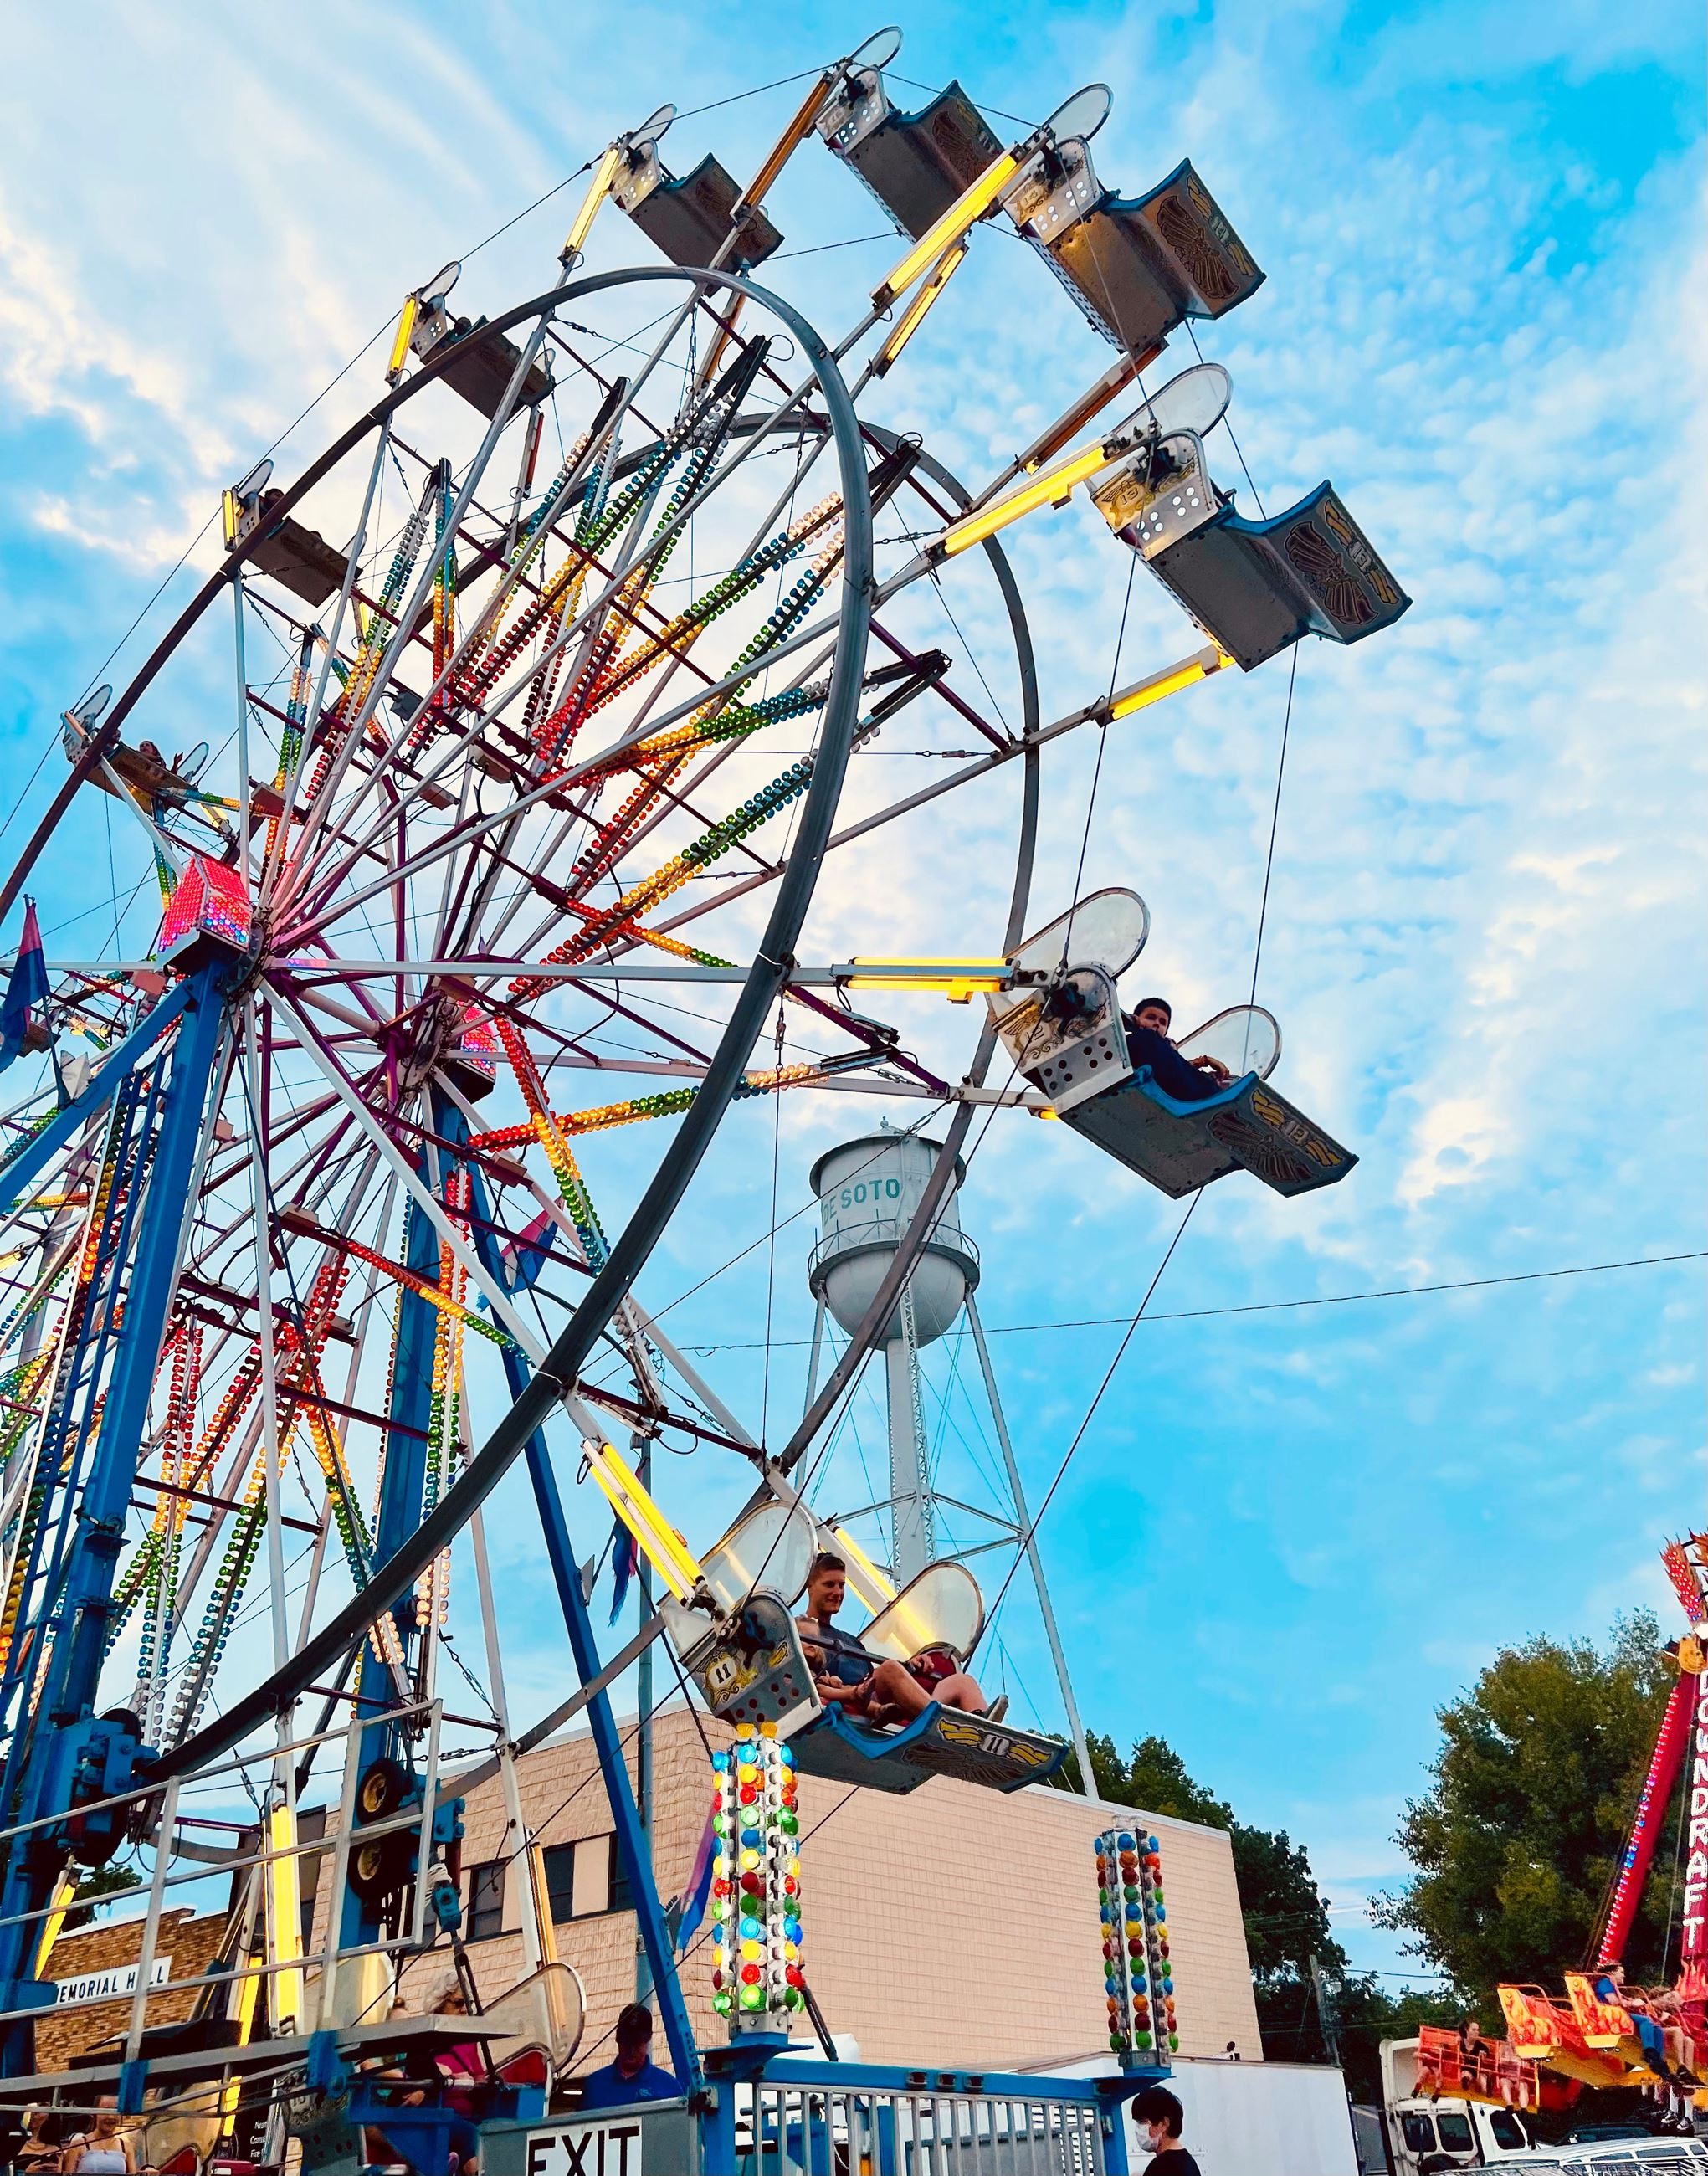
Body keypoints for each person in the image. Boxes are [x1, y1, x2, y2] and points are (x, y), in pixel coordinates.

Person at [794, 1552, 990, 1724]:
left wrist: (908, 1665)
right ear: (810, 1586)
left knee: (961, 1682)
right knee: (889, 1669)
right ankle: (940, 1723)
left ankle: (983, 1730)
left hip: (882, 1699)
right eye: (829, 1585)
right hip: (853, 1701)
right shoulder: (801, 1632)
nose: (837, 1593)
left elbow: (875, 1679)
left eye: (842, 1585)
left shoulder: (852, 1642)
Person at [1122, 998, 1231, 1104]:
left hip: (1171, 1095)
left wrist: (1204, 1061)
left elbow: (1174, 1070)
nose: (1157, 1024)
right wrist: (1131, 1021)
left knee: (1208, 1083)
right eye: (1150, 1018)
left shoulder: (1167, 1051)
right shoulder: (1126, 1045)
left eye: (1163, 1022)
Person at [578, 2004, 682, 2110]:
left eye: (637, 2043)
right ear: (617, 2039)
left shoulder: (669, 2087)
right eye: (626, 2042)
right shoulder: (594, 2085)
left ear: (649, 2038)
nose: (631, 2050)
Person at [1132, 2083, 1200, 2173]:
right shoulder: (1189, 2163)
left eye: (1143, 2122)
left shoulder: (1160, 2167)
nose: (1138, 2130)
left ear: (1164, 2124)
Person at [62, 2101, 136, 2176]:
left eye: (116, 2110)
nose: (111, 2117)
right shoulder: (79, 2144)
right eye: (105, 2111)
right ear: (94, 2114)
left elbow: (133, 2174)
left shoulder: (126, 2145)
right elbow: (68, 2173)